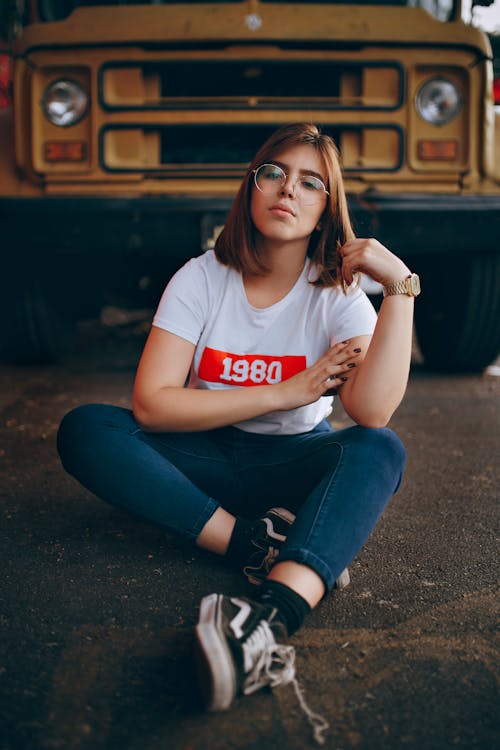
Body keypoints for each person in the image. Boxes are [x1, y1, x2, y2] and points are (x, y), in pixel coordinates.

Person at [57, 122, 418, 740]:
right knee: (88, 428)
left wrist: (401, 289)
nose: (288, 191)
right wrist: (289, 390)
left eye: (310, 183)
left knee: (378, 449)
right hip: (199, 458)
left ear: (327, 208)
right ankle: (254, 542)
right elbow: (152, 405)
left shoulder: (339, 297)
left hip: (292, 464)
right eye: (273, 173)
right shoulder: (201, 278)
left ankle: (267, 622)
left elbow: (371, 411)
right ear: (251, 188)